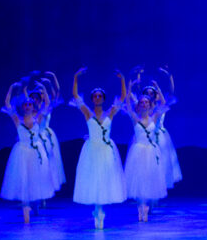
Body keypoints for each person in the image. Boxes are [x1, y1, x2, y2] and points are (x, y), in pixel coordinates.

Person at [71, 68, 128, 229]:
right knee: (94, 179)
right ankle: (97, 210)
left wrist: (122, 80)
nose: (97, 98)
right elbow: (76, 96)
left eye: (100, 96)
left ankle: (100, 210)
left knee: (104, 180)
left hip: (106, 151)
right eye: (95, 96)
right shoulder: (87, 113)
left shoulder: (110, 112)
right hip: (92, 151)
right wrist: (76, 77)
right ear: (92, 99)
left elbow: (123, 98)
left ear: (103, 99)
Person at [0, 82, 56, 224]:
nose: (27, 106)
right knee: (24, 180)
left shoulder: (38, 118)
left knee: (36, 180)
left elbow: (47, 105)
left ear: (33, 107)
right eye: (25, 105)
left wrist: (43, 89)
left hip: (36, 153)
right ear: (23, 107)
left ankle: (35, 206)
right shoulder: (17, 120)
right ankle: (26, 211)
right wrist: (11, 88)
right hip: (22, 154)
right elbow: (7, 104)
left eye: (29, 104)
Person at [123, 93, 167, 221]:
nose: (144, 104)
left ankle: (146, 206)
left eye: (146, 102)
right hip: (138, 152)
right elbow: (128, 107)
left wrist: (158, 90)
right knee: (139, 178)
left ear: (150, 105)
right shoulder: (135, 119)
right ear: (139, 105)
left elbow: (163, 105)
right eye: (141, 102)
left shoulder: (154, 118)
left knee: (148, 178)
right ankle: (140, 206)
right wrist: (129, 88)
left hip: (151, 152)